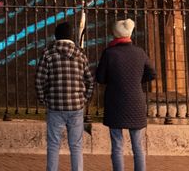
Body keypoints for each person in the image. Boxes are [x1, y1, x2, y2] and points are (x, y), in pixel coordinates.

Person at [95, 19, 155, 171]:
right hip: (135, 102)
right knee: (138, 146)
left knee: (117, 145)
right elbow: (152, 73)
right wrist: (136, 80)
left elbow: (100, 78)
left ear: (115, 34)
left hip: (115, 102)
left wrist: (114, 79)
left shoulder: (109, 53)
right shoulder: (139, 52)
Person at [36, 21, 94, 171]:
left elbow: (39, 79)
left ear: (56, 36)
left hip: (55, 105)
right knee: (76, 145)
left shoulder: (48, 54)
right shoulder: (80, 54)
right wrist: (85, 98)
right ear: (71, 36)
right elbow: (89, 80)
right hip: (76, 106)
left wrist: (43, 98)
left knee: (54, 144)